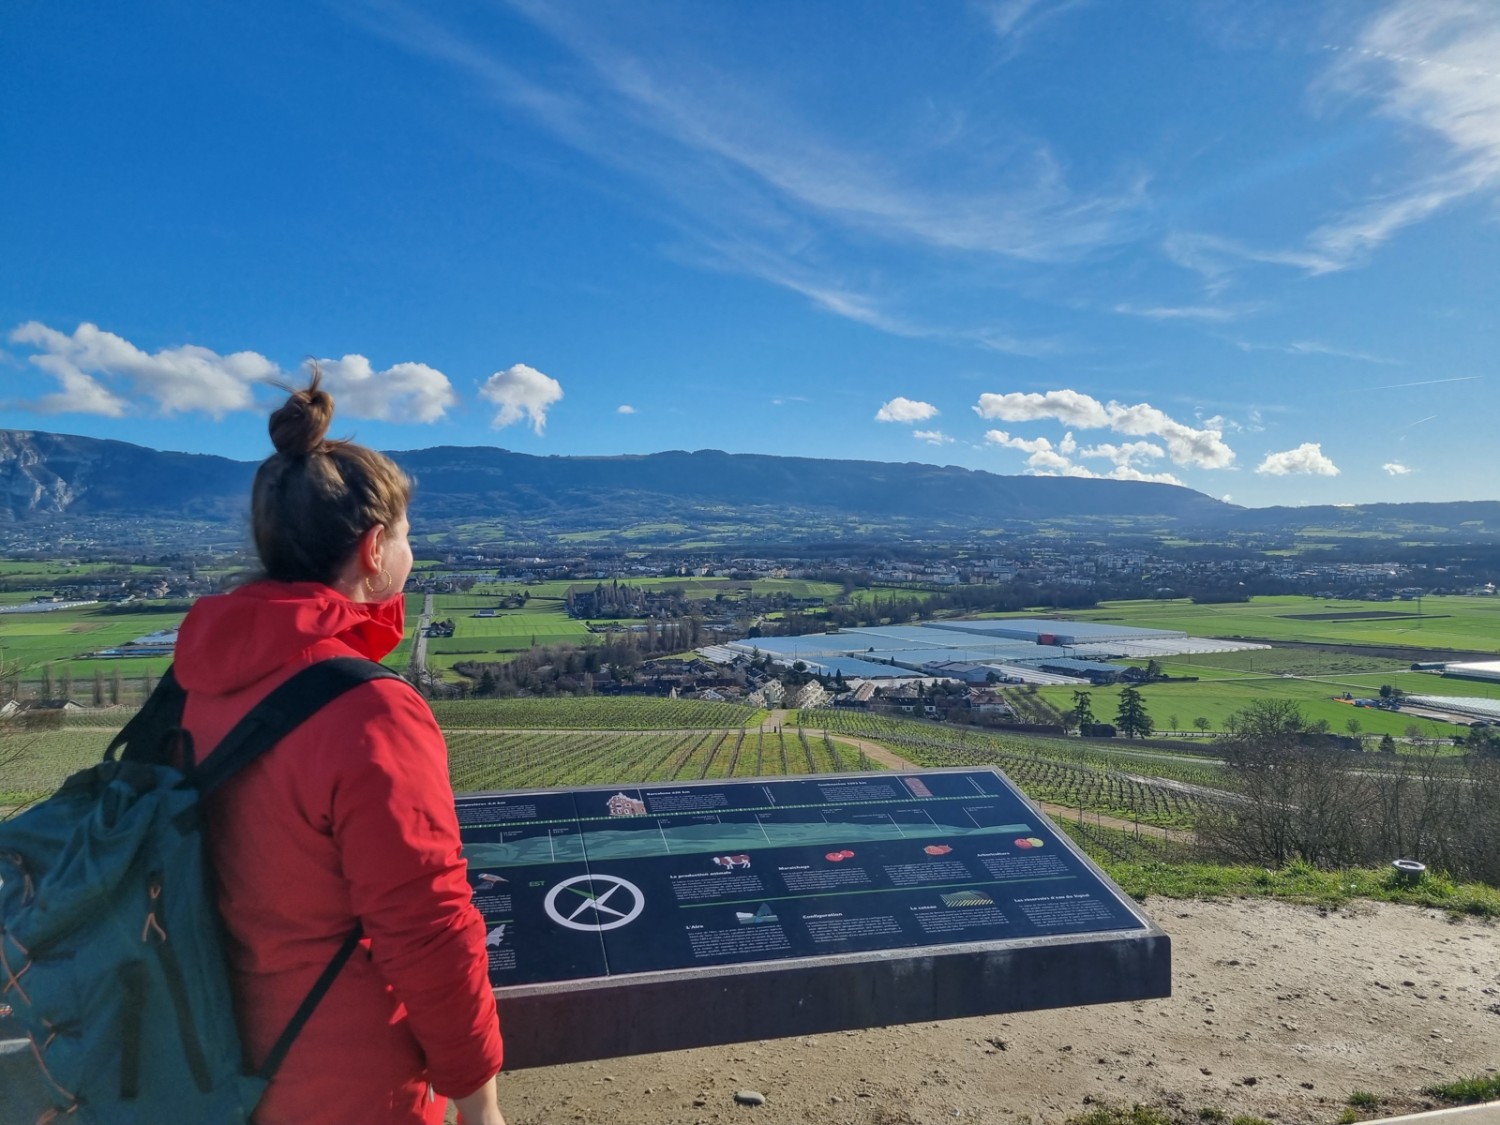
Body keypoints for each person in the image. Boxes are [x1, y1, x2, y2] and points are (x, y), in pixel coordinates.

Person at [174, 370, 506, 1125]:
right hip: (349, 1085)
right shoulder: (369, 712)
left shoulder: (198, 680)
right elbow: (429, 927)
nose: (413, 551)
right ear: (374, 547)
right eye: (409, 534)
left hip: (203, 1059)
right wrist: (479, 1104)